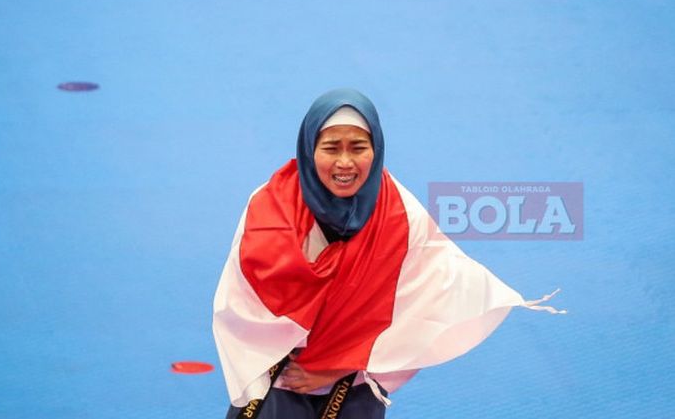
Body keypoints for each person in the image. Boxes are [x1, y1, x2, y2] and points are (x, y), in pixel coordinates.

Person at [213, 88, 563, 419]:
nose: (345, 163)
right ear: (309, 150)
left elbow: (430, 302)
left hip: (352, 379)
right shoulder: (270, 206)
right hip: (281, 375)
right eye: (332, 148)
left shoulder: (402, 216)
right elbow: (243, 302)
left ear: (376, 149)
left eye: (358, 147)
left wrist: (337, 364)